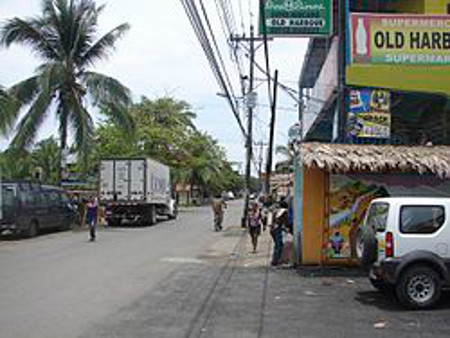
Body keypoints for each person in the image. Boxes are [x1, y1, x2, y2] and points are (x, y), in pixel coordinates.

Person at [270, 200, 289, 266]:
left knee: (277, 245)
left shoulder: (276, 211)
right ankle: (275, 261)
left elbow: (273, 220)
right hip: (277, 229)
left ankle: (275, 260)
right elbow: (286, 222)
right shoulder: (284, 211)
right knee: (279, 245)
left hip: (272, 229)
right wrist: (287, 228)